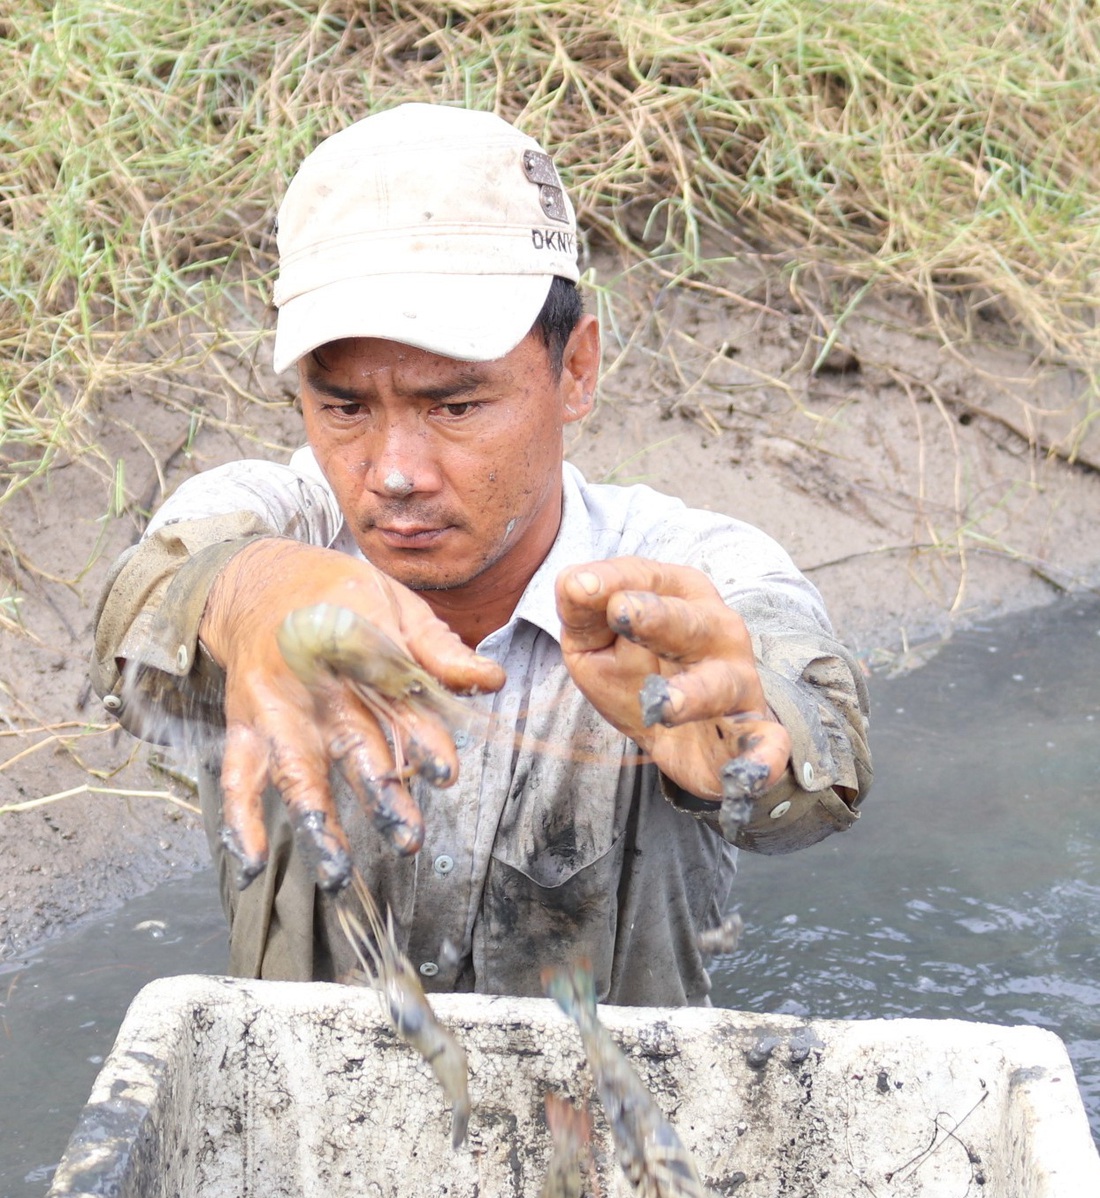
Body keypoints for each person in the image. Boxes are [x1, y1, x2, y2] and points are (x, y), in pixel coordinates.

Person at [91, 103, 871, 1006]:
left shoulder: (686, 576)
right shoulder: (278, 521)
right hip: (302, 1117)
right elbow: (143, 601)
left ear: (575, 370)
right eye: (344, 407)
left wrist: (753, 753)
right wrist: (254, 595)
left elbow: (821, 740)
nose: (393, 474)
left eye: (454, 408)